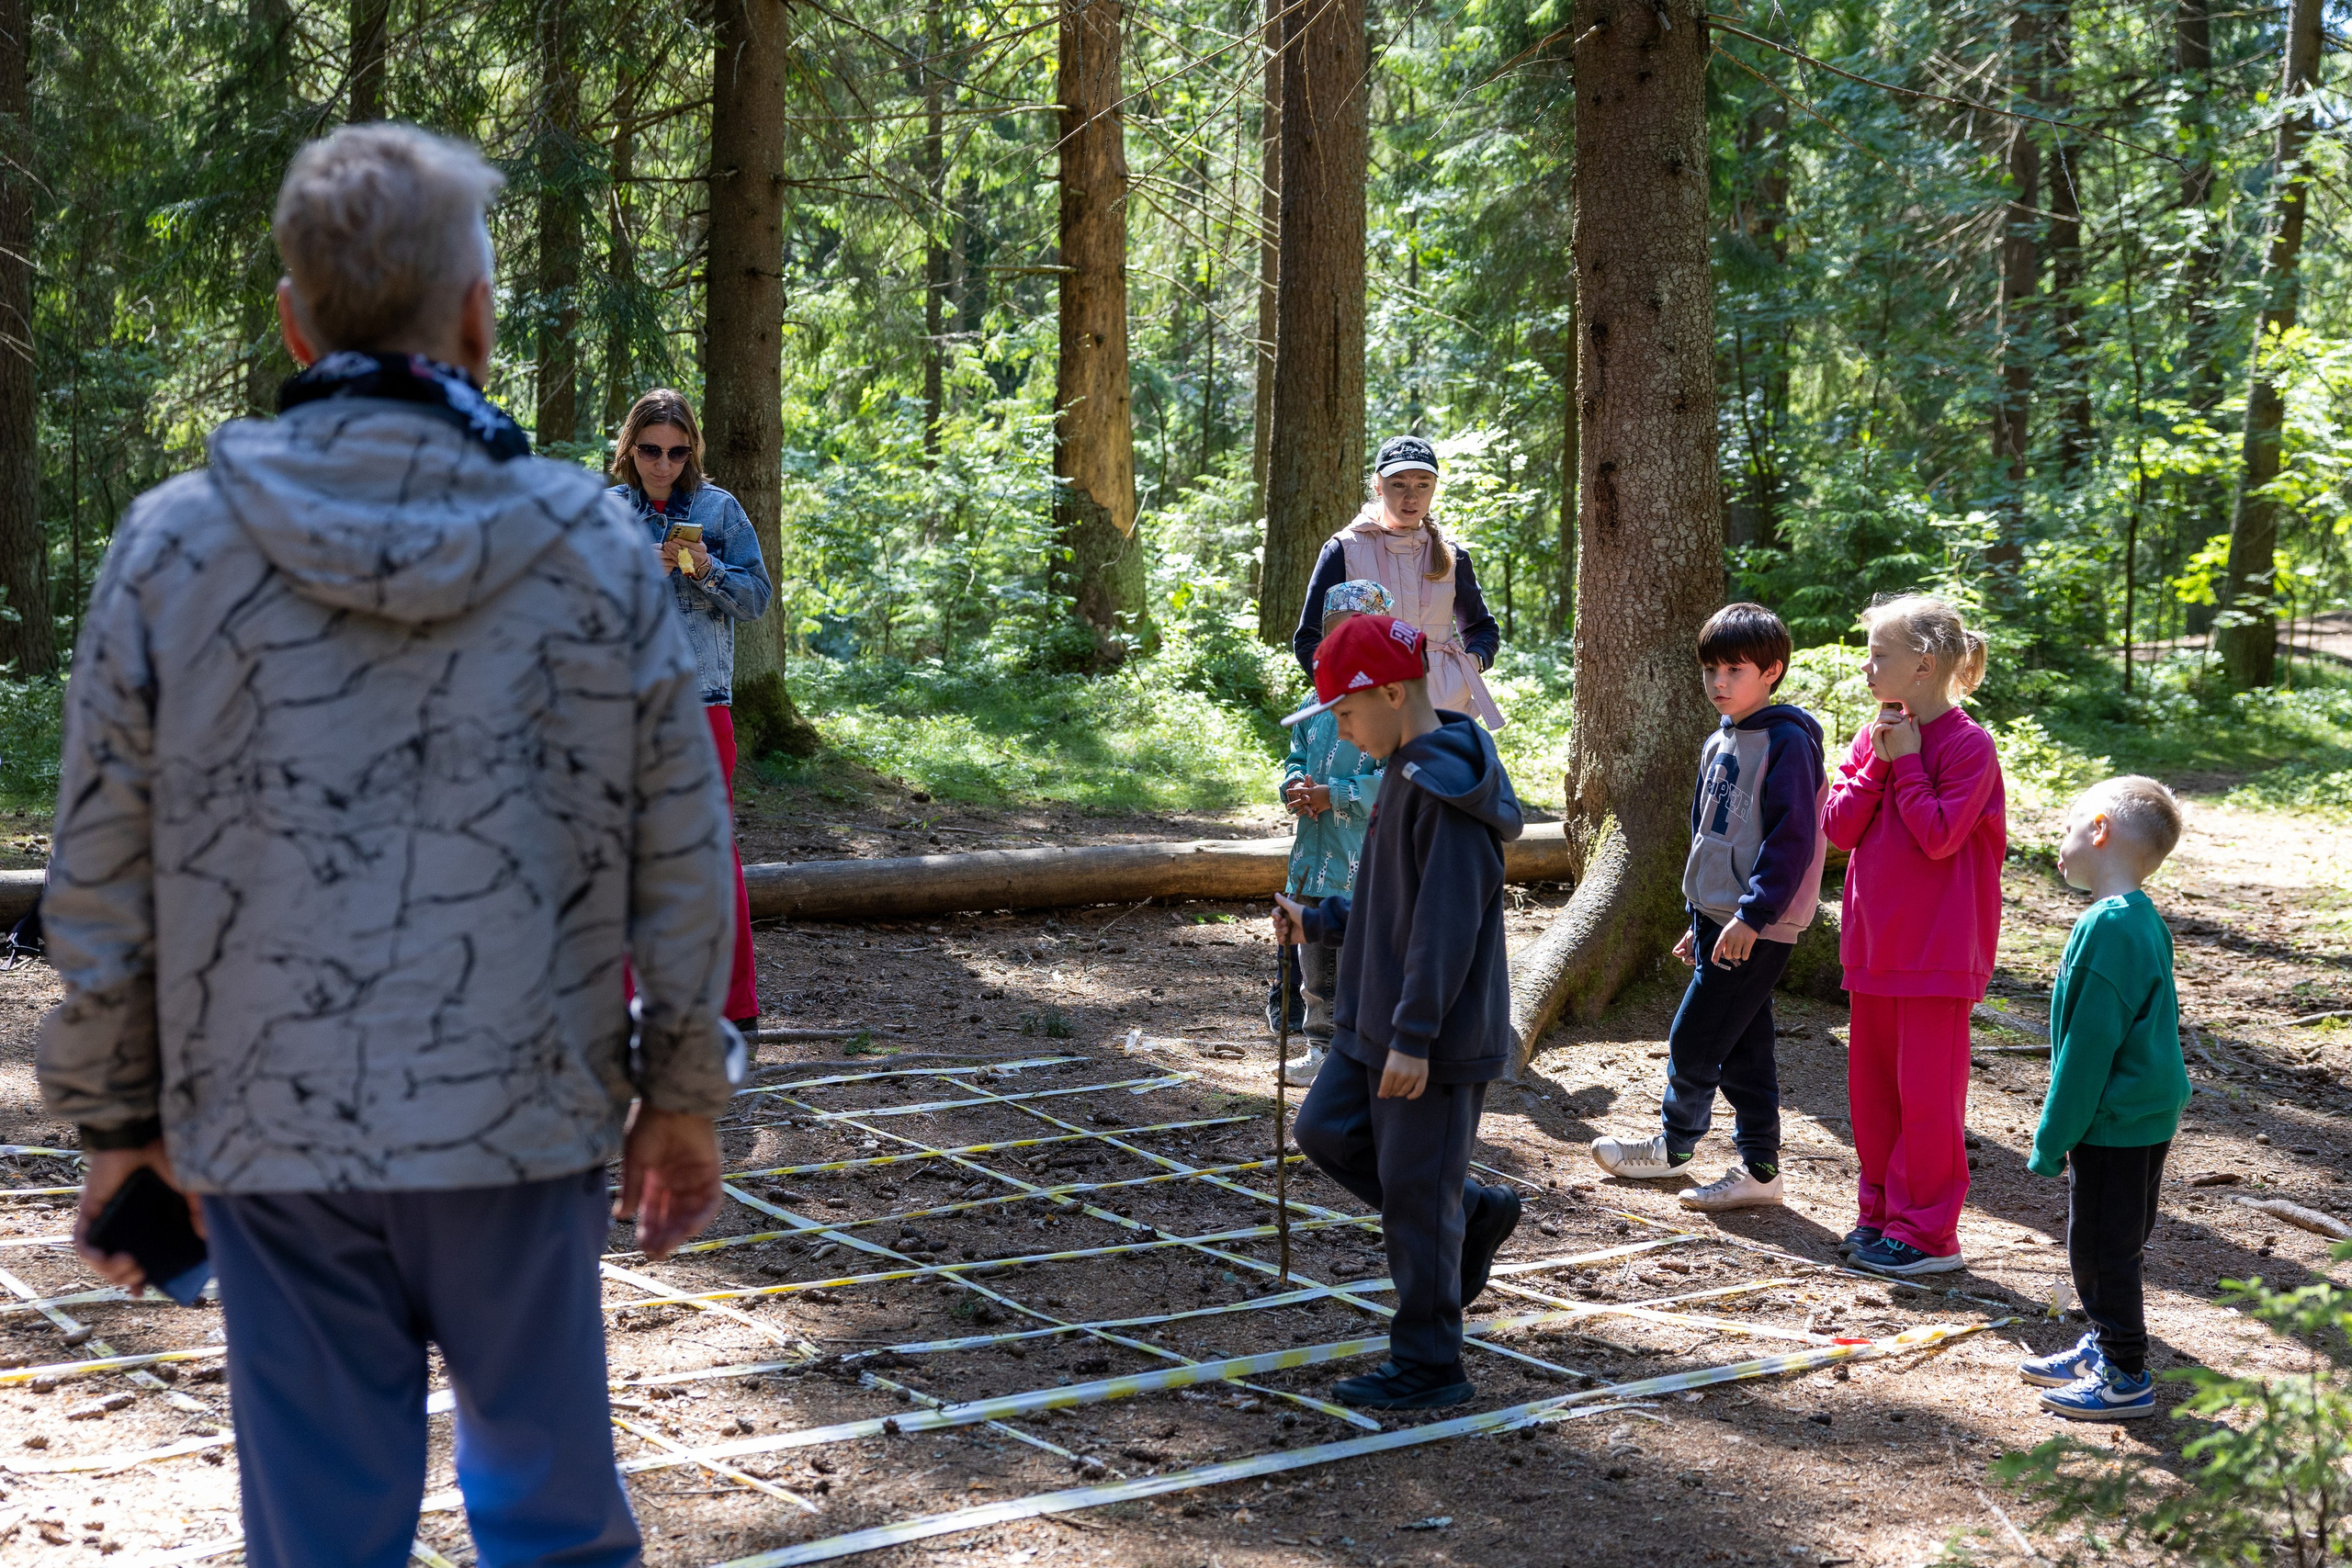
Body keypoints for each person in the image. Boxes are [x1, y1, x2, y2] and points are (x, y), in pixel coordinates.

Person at [35, 124, 741, 1568]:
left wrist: (118, 1121)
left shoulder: (171, 547)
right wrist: (681, 1091)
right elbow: (680, 842)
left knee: (322, 1534)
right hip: (520, 1118)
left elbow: (100, 866)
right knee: (552, 1518)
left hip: (268, 1126)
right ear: (477, 317)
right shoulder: (592, 546)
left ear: (293, 322)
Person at [1273, 613, 1524, 1411]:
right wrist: (1320, 919)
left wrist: (1415, 1037)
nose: (1343, 734)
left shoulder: (1443, 789)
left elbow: (1443, 926)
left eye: (1346, 714)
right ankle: (1472, 1209)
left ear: (1390, 693)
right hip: (1373, 1019)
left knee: (1416, 1196)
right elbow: (1392, 900)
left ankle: (1429, 1361)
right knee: (1325, 1129)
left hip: (1429, 1036)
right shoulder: (1403, 770)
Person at [1590, 603, 1828, 1212]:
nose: (1719, 682)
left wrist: (1750, 915)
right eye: (1711, 669)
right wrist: (1698, 916)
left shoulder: (1787, 742)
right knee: (1745, 1046)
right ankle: (1760, 1169)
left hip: (1757, 924)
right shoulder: (1720, 739)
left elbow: (1792, 838)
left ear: (1772, 671)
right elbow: (1708, 835)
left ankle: (1673, 1146)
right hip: (1718, 918)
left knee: (1694, 1038)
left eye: (1735, 670)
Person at [1822, 594, 2006, 1277]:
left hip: (1938, 955)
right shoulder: (1874, 735)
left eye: (1879, 656)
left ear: (1923, 665)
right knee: (1873, 1097)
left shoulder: (1968, 745)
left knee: (1928, 1102)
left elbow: (1939, 837)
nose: (1866, 667)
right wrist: (1880, 760)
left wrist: (1906, 762)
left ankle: (1928, 1233)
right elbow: (1840, 828)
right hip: (1874, 949)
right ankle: (1879, 1216)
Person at [2019, 776, 2189, 1421]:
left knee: (2098, 1248)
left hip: (2112, 1118)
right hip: (2148, 1111)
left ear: (2099, 830)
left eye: (2067, 828)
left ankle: (2124, 1373)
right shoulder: (2141, 917)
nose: (2058, 843)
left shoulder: (2107, 927)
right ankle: (2103, 1344)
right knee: (2122, 1238)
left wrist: (2052, 1138)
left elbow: (2089, 1049)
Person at [609, 388, 772, 1033]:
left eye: (677, 453)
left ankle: (734, 1007)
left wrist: (708, 572)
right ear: (630, 448)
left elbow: (757, 600)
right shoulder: (603, 513)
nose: (663, 464)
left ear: (692, 451)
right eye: (651, 450)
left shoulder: (718, 508)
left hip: (703, 704)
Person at [1292, 435, 1505, 729]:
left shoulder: (1452, 556)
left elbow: (1481, 628)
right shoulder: (1344, 549)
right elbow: (1309, 638)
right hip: (1372, 714)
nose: (1411, 497)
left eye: (1422, 485)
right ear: (1378, 486)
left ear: (1434, 487)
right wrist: (1346, 693)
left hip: (1445, 710)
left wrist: (1470, 664)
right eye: (1399, 484)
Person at [1270, 579, 1392, 1085]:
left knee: (1360, 964)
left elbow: (1395, 782)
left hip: (1362, 864)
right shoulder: (1314, 701)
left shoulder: (1389, 702)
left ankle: (1359, 1052)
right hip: (1313, 860)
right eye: (1335, 634)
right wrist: (1295, 784)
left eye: (1358, 632)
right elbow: (1295, 756)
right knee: (1314, 963)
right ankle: (1319, 1048)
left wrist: (1334, 794)